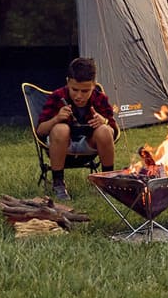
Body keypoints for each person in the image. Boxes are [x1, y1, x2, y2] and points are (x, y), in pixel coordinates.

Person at [35, 57, 118, 201]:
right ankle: (59, 183)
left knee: (105, 130)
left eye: (85, 91)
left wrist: (103, 121)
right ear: (68, 82)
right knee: (61, 129)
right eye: (74, 90)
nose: (79, 96)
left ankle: (106, 182)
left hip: (88, 144)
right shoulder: (57, 97)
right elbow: (40, 131)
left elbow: (114, 132)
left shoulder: (100, 99)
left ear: (94, 85)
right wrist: (56, 119)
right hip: (61, 145)